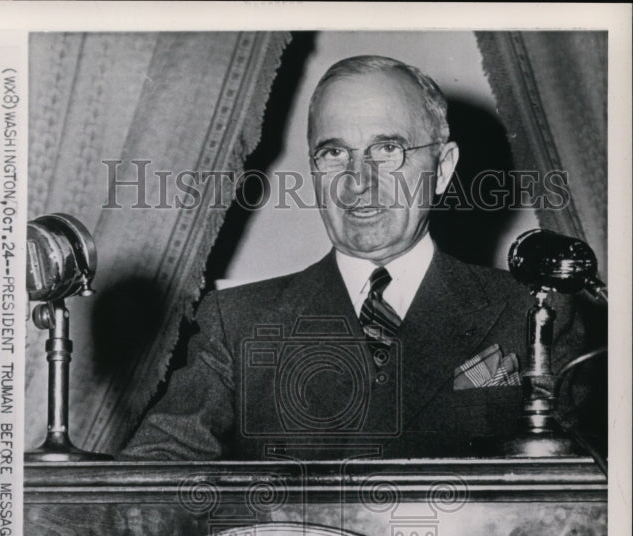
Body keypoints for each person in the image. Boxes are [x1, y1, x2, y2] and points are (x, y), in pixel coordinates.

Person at [120, 55, 585, 461]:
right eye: (334, 153)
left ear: (442, 169)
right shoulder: (235, 324)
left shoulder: (533, 314)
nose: (358, 181)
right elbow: (149, 487)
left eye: (387, 150)